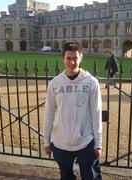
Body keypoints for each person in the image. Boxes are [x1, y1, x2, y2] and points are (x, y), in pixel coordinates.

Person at [43, 41, 102, 180]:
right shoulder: (54, 84)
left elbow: (96, 112)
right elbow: (49, 113)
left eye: (75, 58)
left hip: (85, 142)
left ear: (80, 58)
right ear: (63, 59)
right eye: (68, 58)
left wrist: (98, 143)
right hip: (60, 142)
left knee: (91, 177)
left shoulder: (91, 82)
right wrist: (46, 140)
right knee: (66, 177)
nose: (72, 62)